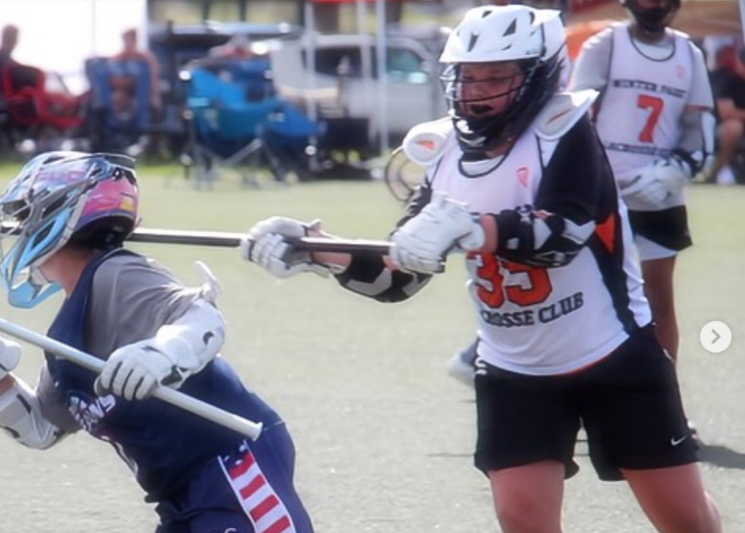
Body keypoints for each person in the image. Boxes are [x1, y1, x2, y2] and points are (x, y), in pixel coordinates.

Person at [241, 6, 722, 533]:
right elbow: (398, 276)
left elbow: (563, 235)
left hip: (612, 356)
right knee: (524, 521)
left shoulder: (566, 132)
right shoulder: (443, 152)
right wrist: (315, 249)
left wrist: (474, 228)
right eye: (468, 77)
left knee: (686, 522)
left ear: (538, 75)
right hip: (515, 372)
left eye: (495, 77)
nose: (477, 91)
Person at [0, 152, 314, 533]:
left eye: (25, 216)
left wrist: (159, 355)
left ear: (61, 217)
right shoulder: (65, 335)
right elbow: (42, 428)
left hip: (232, 470)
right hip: (178, 499)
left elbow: (203, 319)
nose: (20, 230)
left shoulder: (118, 275)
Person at [569, 0, 713, 366]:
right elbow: (574, 119)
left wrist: (673, 172)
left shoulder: (689, 54)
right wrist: (595, 175)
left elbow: (699, 130)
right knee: (592, 297)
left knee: (658, 302)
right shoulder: (604, 46)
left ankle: (666, 392)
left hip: (659, 197)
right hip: (603, 196)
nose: (654, 5)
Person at [706, 46, 745, 186]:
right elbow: (726, 113)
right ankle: (722, 169)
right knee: (734, 127)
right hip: (720, 127)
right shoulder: (727, 79)